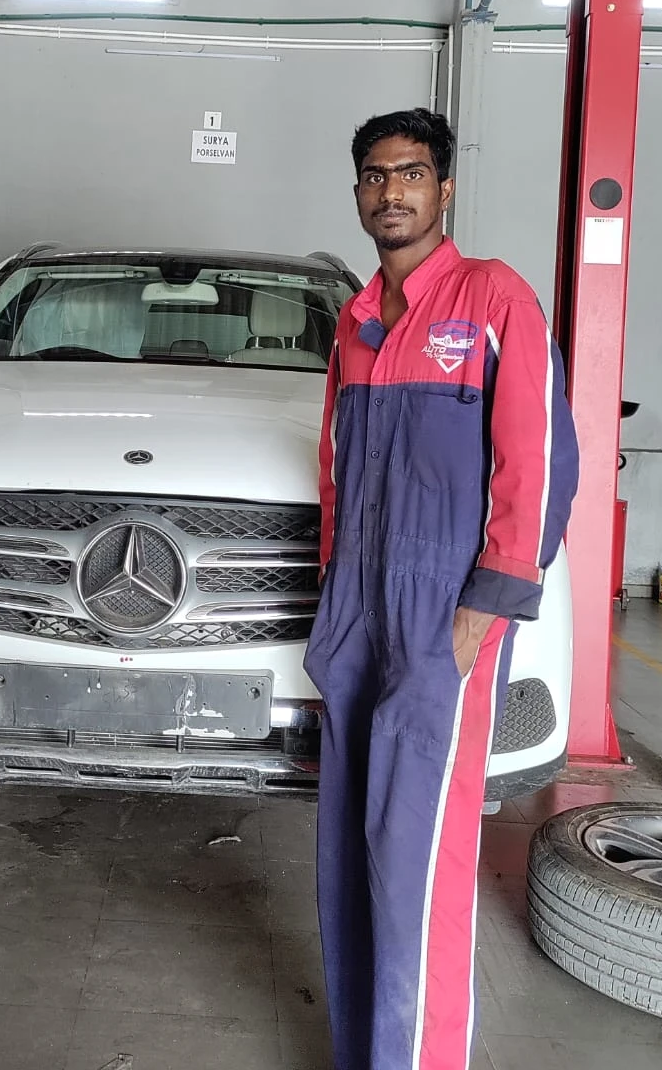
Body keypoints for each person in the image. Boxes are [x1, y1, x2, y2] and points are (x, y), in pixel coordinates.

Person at [303, 108, 579, 1070]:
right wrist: (334, 595)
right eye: (375, 176)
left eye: (411, 173)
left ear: (444, 188)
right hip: (355, 607)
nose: (392, 191)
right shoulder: (356, 321)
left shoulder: (492, 298)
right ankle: (361, 1051)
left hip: (443, 610)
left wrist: (489, 603)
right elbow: (336, 463)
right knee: (349, 847)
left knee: (418, 856)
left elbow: (539, 466)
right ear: (358, 195)